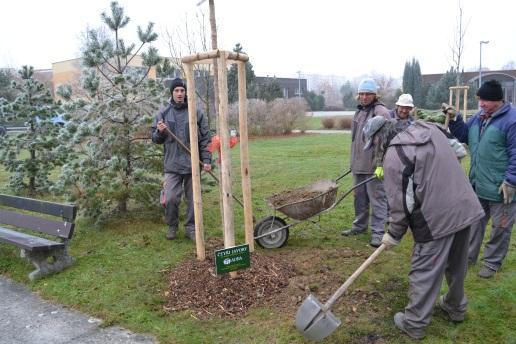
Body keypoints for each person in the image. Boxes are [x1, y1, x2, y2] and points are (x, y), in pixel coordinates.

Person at [362, 116, 484, 339]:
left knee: (424, 270)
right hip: (465, 205)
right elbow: (459, 151)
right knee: (456, 265)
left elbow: (402, 202)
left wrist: (394, 233)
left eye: (373, 145)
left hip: (435, 218)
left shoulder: (394, 155)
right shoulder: (428, 128)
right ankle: (455, 308)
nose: (374, 152)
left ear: (380, 138)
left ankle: (414, 323)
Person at [447, 79, 516, 278]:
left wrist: (511, 180)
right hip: (478, 184)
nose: (482, 104)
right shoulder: (479, 117)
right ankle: (468, 257)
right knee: (474, 224)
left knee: (500, 228)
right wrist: (455, 119)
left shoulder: (511, 120)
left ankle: (492, 263)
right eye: (480, 100)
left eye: (485, 100)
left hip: (501, 187)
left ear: (498, 100)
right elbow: (463, 135)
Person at [151, 78, 212, 241]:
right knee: (170, 197)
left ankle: (191, 228)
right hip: (172, 165)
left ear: (185, 93)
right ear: (172, 93)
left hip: (193, 164)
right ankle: (172, 225)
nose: (179, 93)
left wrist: (206, 160)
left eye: (182, 91)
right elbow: (155, 139)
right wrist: (159, 132)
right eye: (176, 90)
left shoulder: (196, 112)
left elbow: (206, 138)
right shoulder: (162, 113)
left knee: (193, 199)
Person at [341, 78, 390, 247]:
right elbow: (355, 140)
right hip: (359, 165)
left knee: (377, 200)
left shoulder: (381, 112)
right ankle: (360, 226)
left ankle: (378, 233)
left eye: (368, 94)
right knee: (359, 198)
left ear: (375, 95)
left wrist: (381, 165)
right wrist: (353, 162)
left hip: (374, 167)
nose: (364, 97)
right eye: (361, 93)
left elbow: (385, 141)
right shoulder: (359, 112)